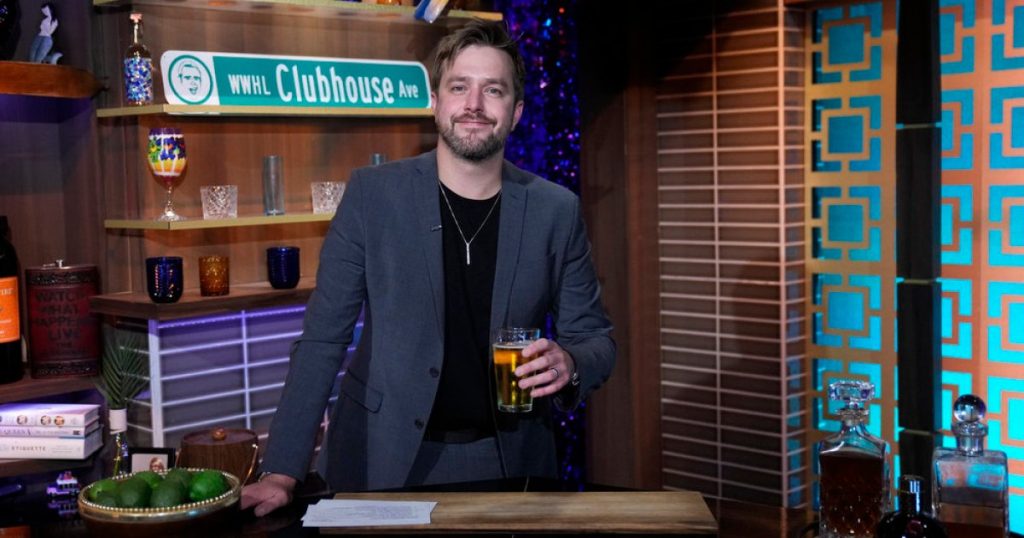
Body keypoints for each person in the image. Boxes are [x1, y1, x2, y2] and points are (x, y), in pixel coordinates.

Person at [241, 19, 615, 517]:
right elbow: (322, 340)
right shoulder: (373, 195)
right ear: (435, 102)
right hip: (380, 457)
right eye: (459, 87)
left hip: (509, 461)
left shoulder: (556, 210)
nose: (474, 104)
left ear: (516, 112)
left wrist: (570, 364)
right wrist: (281, 470)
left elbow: (596, 339)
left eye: (494, 90)